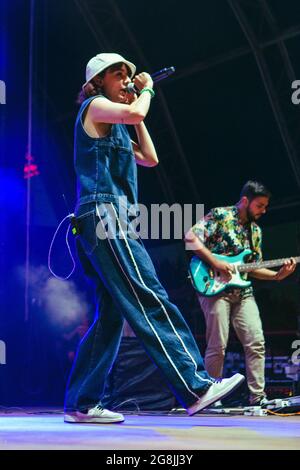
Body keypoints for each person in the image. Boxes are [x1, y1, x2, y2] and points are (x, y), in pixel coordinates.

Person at [64, 52, 244, 424]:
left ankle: (82, 403)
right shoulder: (94, 107)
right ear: (97, 83)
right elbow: (138, 113)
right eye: (119, 75)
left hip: (106, 219)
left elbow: (150, 157)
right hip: (104, 214)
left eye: (129, 75)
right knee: (148, 294)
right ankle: (195, 386)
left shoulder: (117, 123)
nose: (127, 80)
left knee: (112, 315)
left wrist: (136, 105)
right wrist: (146, 95)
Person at [185, 181, 296, 406]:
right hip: (214, 289)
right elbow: (190, 237)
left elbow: (253, 268)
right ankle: (208, 395)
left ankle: (258, 397)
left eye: (265, 206)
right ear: (245, 200)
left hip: (243, 291)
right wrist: (215, 261)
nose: (263, 211)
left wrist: (277, 276)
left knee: (256, 341)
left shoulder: (255, 231)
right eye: (260, 205)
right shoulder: (220, 215)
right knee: (218, 344)